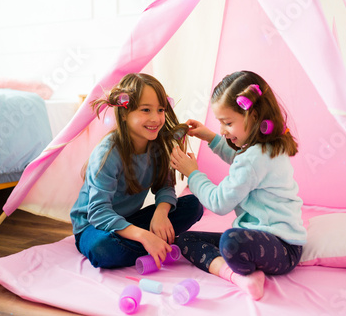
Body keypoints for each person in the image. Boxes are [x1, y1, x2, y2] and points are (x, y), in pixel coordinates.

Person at [170, 70, 306, 300]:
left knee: (231, 242)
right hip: (262, 240)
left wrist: (192, 174)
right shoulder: (266, 147)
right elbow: (241, 160)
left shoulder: (254, 159)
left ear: (252, 115)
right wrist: (211, 138)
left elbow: (219, 202)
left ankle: (238, 273)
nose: (223, 130)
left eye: (227, 122)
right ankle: (241, 277)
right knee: (185, 239)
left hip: (282, 248)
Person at [71, 73, 203, 269]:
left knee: (194, 205)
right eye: (145, 110)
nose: (156, 118)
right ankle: (154, 243)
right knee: (103, 249)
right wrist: (143, 235)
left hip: (127, 221)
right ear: (124, 114)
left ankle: (147, 243)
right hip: (94, 225)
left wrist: (161, 212)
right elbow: (98, 212)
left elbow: (165, 187)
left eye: (160, 110)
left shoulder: (157, 146)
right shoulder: (108, 153)